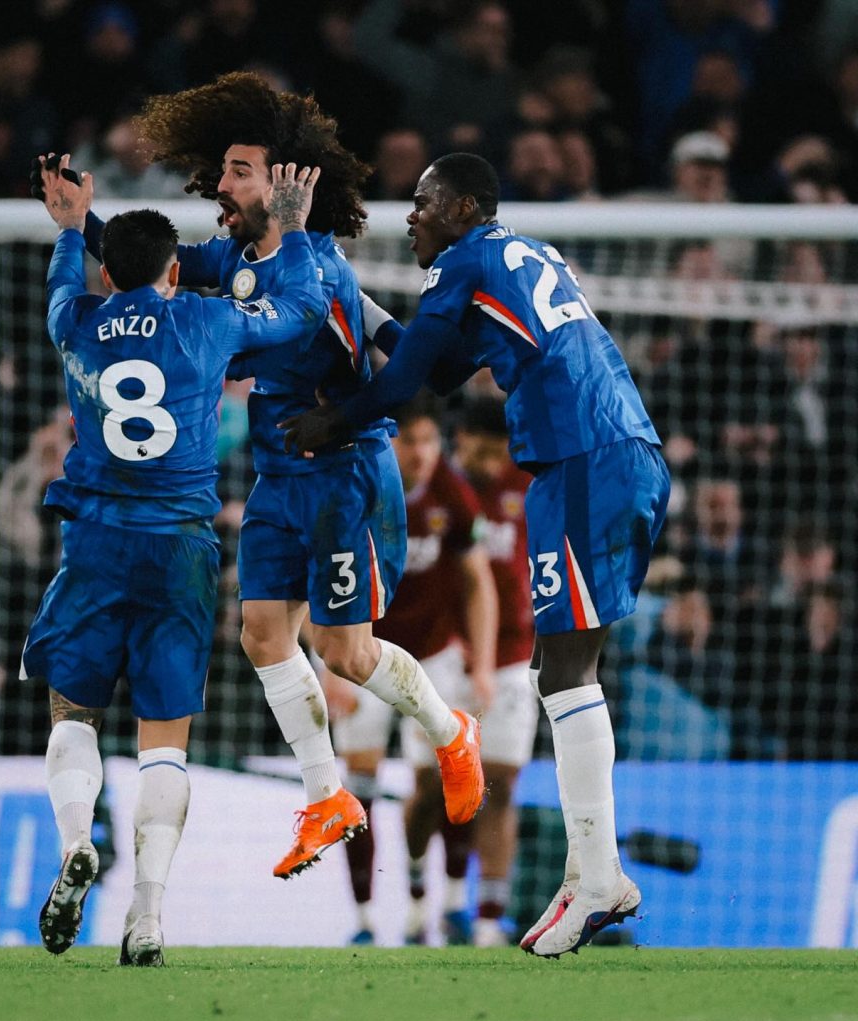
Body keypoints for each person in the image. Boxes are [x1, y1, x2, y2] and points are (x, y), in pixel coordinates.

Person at [53, 72, 485, 882]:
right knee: (260, 633)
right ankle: (327, 795)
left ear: (287, 182)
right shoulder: (236, 257)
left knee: (345, 654)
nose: (220, 185)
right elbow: (153, 268)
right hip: (278, 476)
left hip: (343, 476)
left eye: (238, 171)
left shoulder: (315, 268)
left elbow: (298, 327)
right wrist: (86, 221)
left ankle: (450, 731)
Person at [282, 152, 671, 957]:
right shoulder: (515, 255)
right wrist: (357, 305)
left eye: (423, 203)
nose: (411, 217)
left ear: (462, 205)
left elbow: (402, 389)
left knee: (565, 671)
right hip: (618, 450)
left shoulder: (463, 260)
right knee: (561, 668)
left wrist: (333, 422)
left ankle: (599, 876)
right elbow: (445, 372)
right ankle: (589, 869)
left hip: (583, 457)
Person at [28, 153, 329, 966]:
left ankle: (73, 847)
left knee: (73, 714)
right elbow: (300, 311)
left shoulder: (77, 323)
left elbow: (64, 283)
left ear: (105, 270)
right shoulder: (206, 321)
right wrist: (294, 230)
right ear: (173, 269)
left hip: (94, 540)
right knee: (165, 743)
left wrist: (69, 227)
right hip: (182, 549)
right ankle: (149, 917)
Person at [323, 392, 497, 945]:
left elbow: (478, 583)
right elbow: (313, 582)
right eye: (408, 440)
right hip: (364, 654)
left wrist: (485, 663)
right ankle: (365, 921)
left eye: (428, 440)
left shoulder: (453, 492)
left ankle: (443, 903)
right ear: (387, 440)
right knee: (361, 785)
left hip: (434, 656)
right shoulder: (356, 487)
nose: (420, 452)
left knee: (447, 778)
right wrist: (328, 663)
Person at [450, 396, 539, 947]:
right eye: (474, 451)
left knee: (501, 782)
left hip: (512, 655)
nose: (484, 463)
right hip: (445, 654)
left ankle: (488, 917)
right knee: (445, 786)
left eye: (493, 452)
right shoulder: (443, 492)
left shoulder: (528, 487)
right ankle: (442, 899)